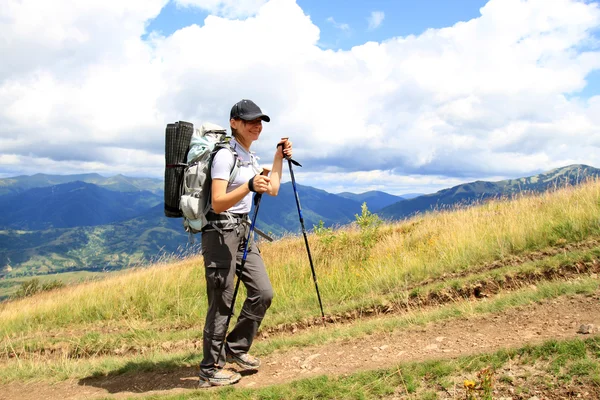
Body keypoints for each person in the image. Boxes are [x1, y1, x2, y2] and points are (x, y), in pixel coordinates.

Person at [198, 99, 293, 387]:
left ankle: (236, 349)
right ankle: (209, 369)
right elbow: (217, 202)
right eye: (250, 120)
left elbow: (273, 188)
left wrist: (278, 158)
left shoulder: (249, 157)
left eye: (260, 121)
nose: (257, 125)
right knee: (221, 301)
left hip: (243, 233)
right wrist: (248, 186)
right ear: (234, 122)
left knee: (263, 292)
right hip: (220, 234)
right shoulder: (225, 156)